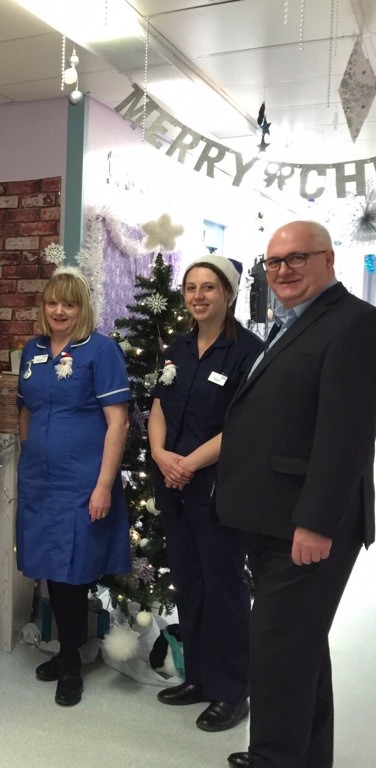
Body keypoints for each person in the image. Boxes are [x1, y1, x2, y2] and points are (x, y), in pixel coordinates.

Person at [216, 221, 376, 768]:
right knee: (300, 649)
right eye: (273, 261)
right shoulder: (295, 322)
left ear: (328, 259)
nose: (282, 271)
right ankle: (307, 757)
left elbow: (348, 436)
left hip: (303, 526)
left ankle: (272, 757)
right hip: (271, 517)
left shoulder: (356, 323)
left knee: (278, 654)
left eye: (296, 259)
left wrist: (316, 522)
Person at [147, 255, 261, 732]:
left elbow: (245, 425)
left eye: (208, 288)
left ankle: (233, 692)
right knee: (190, 585)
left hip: (216, 489)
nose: (197, 296)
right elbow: (157, 405)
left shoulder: (248, 351)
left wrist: (189, 463)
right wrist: (159, 454)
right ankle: (198, 676)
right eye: (191, 287)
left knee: (225, 590)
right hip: (174, 487)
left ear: (229, 294)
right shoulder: (175, 348)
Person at [15, 267, 130, 707]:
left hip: (81, 481)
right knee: (49, 564)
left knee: (73, 571)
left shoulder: (101, 351)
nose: (59, 310)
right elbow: (25, 409)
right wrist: (31, 451)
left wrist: (103, 486)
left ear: (82, 308)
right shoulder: (33, 349)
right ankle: (68, 652)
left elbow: (117, 423)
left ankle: (70, 663)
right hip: (39, 479)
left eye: (69, 303)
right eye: (52, 302)